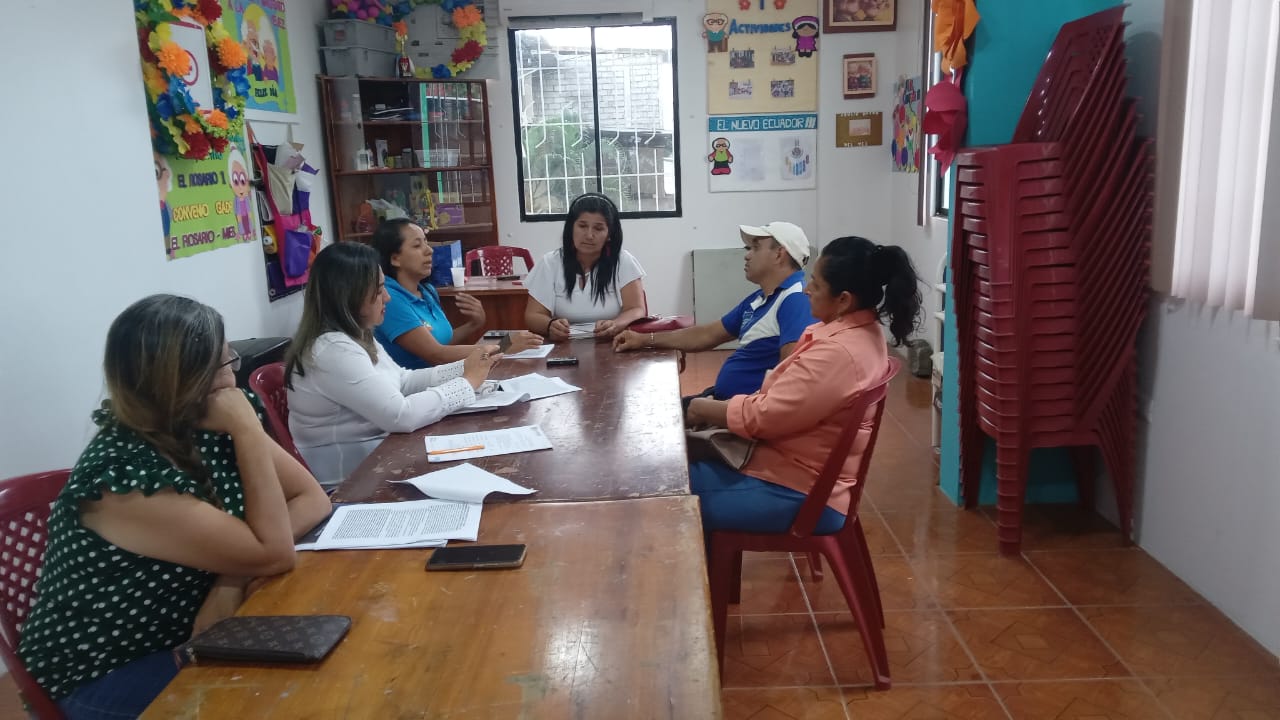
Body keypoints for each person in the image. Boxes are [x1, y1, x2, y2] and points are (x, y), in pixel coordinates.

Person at [17, 295, 333, 718]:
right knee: (289, 699)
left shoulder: (210, 419)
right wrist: (246, 431)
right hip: (107, 667)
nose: (233, 376)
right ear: (180, 381)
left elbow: (311, 498)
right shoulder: (123, 481)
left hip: (196, 629)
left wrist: (230, 578)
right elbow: (275, 552)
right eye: (222, 365)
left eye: (230, 358)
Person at [684, 236, 921, 536]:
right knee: (680, 463)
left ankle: (693, 563)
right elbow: (779, 403)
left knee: (670, 491)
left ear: (844, 300)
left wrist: (701, 408)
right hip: (792, 468)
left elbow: (765, 417)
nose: (807, 289)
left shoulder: (839, 352)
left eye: (816, 285)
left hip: (799, 489)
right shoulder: (855, 332)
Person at [286, 242, 501, 487]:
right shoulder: (333, 350)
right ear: (350, 295)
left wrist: (465, 367)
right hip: (349, 483)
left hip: (379, 460)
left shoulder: (356, 334)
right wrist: (467, 382)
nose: (387, 297)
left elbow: (403, 380)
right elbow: (401, 415)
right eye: (379, 291)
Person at [614, 222, 818, 405]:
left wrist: (720, 412)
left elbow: (787, 381)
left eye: (755, 248)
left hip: (741, 414)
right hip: (725, 402)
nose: (747, 255)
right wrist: (644, 339)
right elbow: (706, 335)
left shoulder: (795, 300)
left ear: (779, 254)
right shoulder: (760, 298)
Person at [370, 219, 542, 368]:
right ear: (395, 258)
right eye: (417, 245)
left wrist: (474, 324)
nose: (429, 250)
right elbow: (436, 354)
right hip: (417, 390)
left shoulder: (426, 291)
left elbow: (441, 342)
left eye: (426, 243)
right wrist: (505, 345)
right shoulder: (389, 299)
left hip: (442, 379)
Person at [524, 193, 648, 341]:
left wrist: (615, 324)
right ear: (571, 228)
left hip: (612, 342)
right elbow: (533, 315)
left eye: (598, 228)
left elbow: (637, 309)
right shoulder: (549, 263)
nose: (589, 235)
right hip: (563, 345)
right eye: (582, 226)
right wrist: (550, 325)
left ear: (609, 234)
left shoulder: (623, 261)